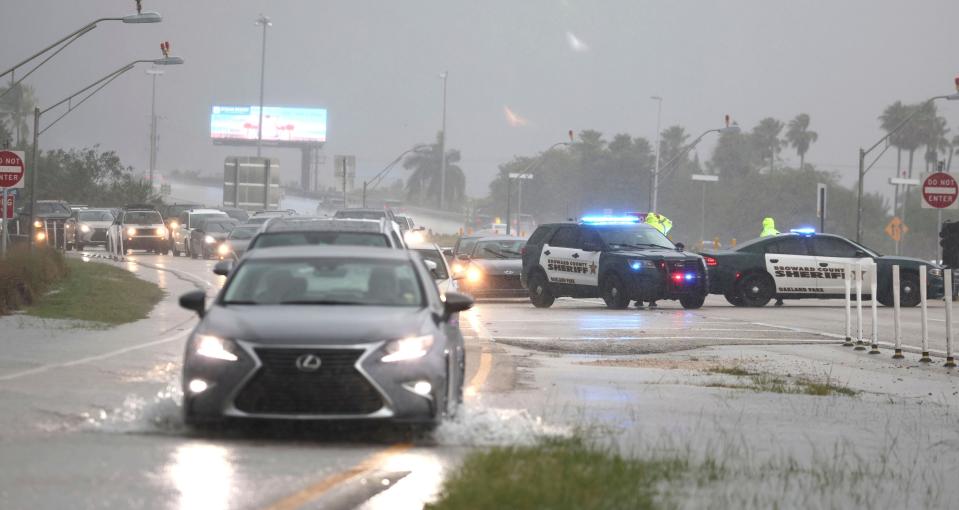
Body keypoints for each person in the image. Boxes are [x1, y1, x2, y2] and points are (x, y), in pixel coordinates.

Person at [760, 217, 784, 305]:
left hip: (768, 258)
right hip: (779, 257)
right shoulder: (777, 232)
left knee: (768, 279)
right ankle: (780, 299)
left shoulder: (763, 233)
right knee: (778, 278)